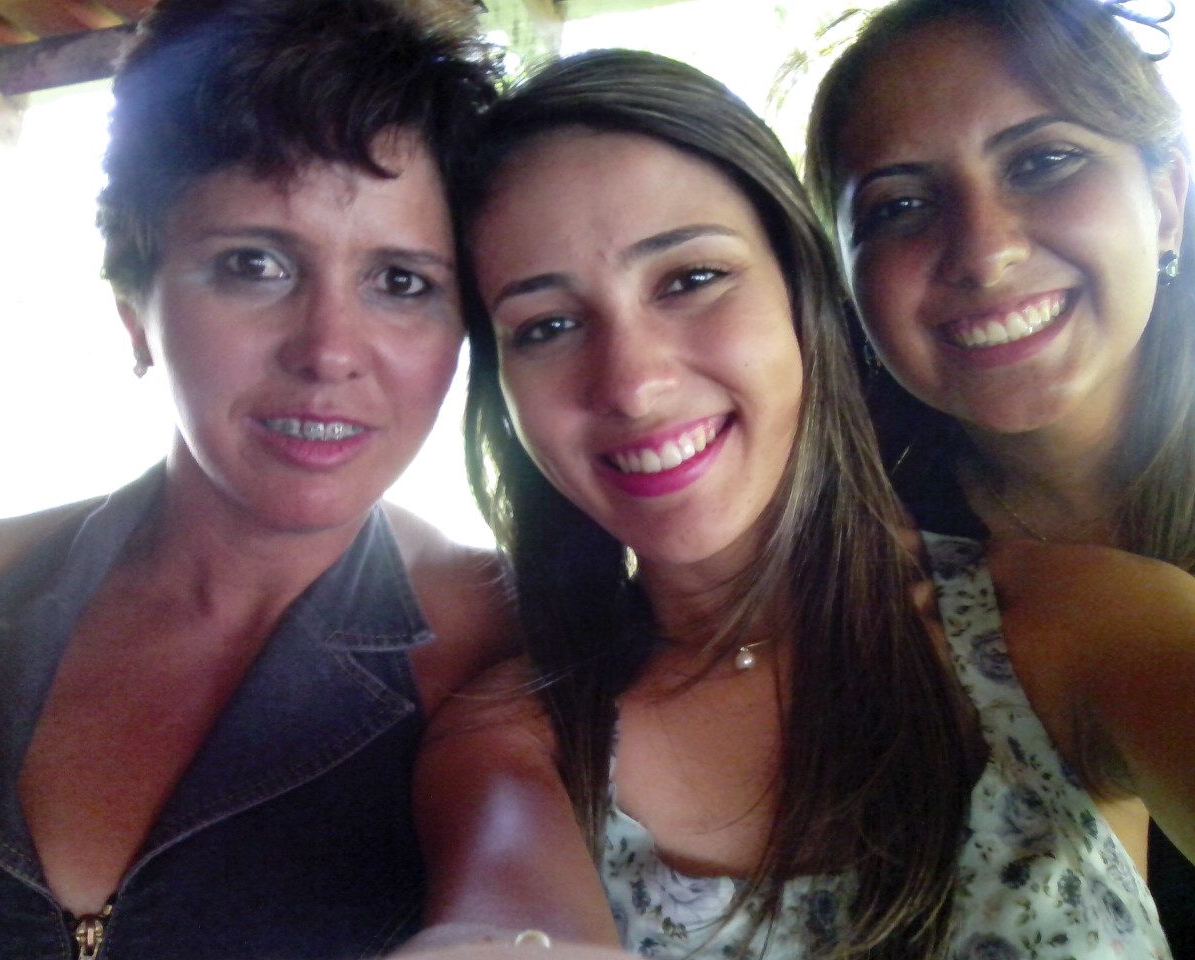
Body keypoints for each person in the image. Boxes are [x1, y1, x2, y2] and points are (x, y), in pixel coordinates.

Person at [402, 49, 1195, 960]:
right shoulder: (516, 739)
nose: (632, 384)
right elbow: (500, 922)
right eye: (546, 325)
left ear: (804, 296)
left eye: (691, 279)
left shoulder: (1073, 625)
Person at [0, 0, 513, 957]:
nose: (329, 351)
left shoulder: (518, 643)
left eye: (402, 281)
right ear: (135, 310)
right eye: (254, 264)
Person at [802, 0, 1194, 949]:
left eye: (1043, 160)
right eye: (900, 206)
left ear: (1167, 199)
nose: (984, 253)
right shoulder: (845, 571)